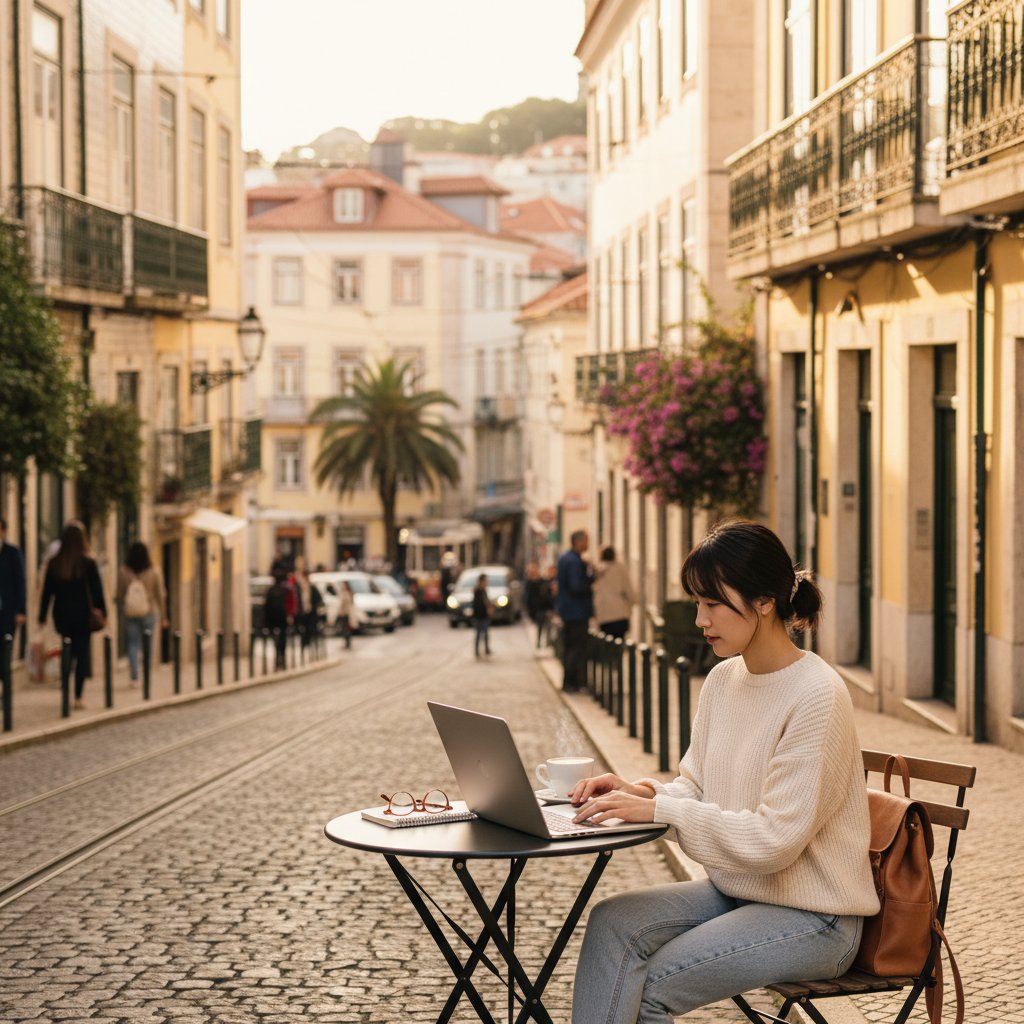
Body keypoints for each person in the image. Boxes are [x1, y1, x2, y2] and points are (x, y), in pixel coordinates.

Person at [567, 520, 879, 1023]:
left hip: (816, 916)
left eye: (712, 603)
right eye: (696, 603)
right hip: (740, 892)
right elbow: (694, 785)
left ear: (763, 601)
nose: (699, 619)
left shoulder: (817, 694)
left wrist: (659, 809)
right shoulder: (722, 679)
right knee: (612, 922)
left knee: (650, 986)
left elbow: (775, 840)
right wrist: (640, 792)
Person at [38, 521, 106, 710]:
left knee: (66, 652)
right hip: (83, 617)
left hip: (62, 616)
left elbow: (47, 592)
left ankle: (65, 690)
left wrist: (42, 616)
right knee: (82, 655)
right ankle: (77, 696)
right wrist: (103, 612)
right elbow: (97, 591)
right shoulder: (88, 563)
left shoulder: (55, 563)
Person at [116, 540, 167, 686]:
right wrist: (164, 616)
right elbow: (160, 595)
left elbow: (119, 595)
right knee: (148, 645)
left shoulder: (123, 572)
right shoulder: (154, 571)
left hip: (131, 614)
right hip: (149, 612)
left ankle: (134, 677)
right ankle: (146, 674)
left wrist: (122, 610)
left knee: (132, 644)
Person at [555, 529, 594, 692]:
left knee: (570, 647)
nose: (587, 544)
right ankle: (572, 683)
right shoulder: (574, 561)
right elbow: (576, 586)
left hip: (567, 610)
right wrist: (591, 578)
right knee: (576, 648)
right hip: (576, 611)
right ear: (578, 542)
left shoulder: (565, 558)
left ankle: (570, 682)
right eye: (585, 541)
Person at [593, 545, 636, 640]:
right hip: (620, 614)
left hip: (603, 615)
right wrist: (633, 602)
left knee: (606, 645)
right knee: (619, 643)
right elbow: (628, 589)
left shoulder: (597, 570)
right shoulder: (620, 568)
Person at [0, 517, 27, 647]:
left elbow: (20, 582)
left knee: (6, 648)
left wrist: (20, 610)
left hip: (8, 612)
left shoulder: (13, 553)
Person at [263, 571, 292, 670]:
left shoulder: (271, 590)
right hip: (283, 619)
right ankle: (282, 659)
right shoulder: (286, 590)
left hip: (272, 619)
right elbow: (290, 605)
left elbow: (266, 606)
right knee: (283, 639)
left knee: (275, 640)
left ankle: (277, 659)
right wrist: (290, 616)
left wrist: (265, 621)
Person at [471, 573, 492, 658]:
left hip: (484, 615)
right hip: (478, 615)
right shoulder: (477, 591)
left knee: (486, 633)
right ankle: (477, 650)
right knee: (478, 633)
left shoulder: (484, 590)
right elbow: (477, 604)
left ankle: (486, 649)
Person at [337, 579, 355, 649]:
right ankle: (347, 643)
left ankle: (347, 643)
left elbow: (342, 604)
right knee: (346, 629)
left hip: (346, 614)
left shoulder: (346, 594)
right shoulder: (347, 593)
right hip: (346, 614)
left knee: (346, 629)